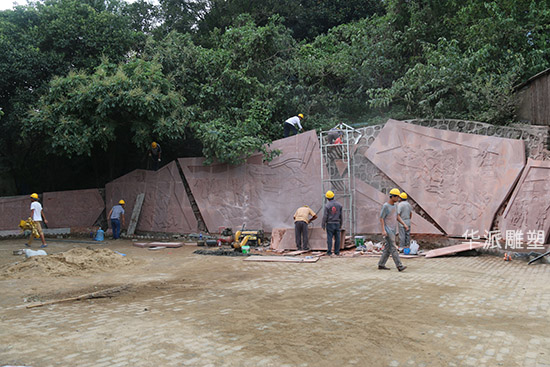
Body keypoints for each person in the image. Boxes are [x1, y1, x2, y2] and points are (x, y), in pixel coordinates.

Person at [378, 188, 407, 271]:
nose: (398, 199)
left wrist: (404, 224)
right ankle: (399, 266)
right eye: (397, 197)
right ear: (392, 197)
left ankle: (381, 264)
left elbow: (397, 216)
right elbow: (381, 218)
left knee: (388, 248)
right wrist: (383, 230)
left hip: (393, 229)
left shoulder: (395, 206)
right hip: (388, 230)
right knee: (393, 248)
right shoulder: (385, 206)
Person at [322, 190, 343, 256]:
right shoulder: (339, 205)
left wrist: (323, 224)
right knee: (337, 238)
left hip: (330, 223)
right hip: (337, 223)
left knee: (329, 238)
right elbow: (341, 216)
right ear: (333, 196)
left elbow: (325, 216)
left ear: (327, 198)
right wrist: (341, 224)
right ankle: (337, 252)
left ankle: (329, 252)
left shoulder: (327, 205)